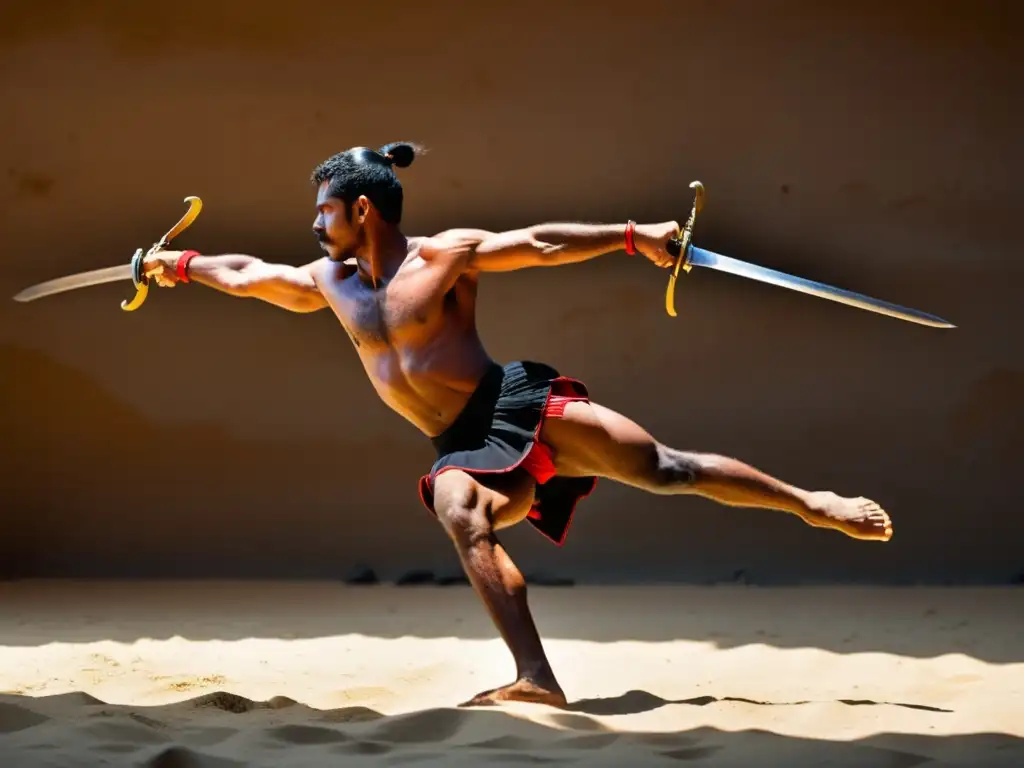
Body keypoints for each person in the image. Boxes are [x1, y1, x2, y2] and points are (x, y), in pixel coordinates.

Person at [143, 141, 893, 708]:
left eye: (325, 210)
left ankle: (812, 504)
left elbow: (538, 243)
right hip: (460, 446)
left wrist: (635, 236)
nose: (314, 224)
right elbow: (243, 275)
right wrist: (169, 266)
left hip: (514, 407)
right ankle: (535, 679)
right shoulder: (328, 283)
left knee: (669, 469)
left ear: (361, 210)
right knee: (458, 507)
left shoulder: (443, 259)